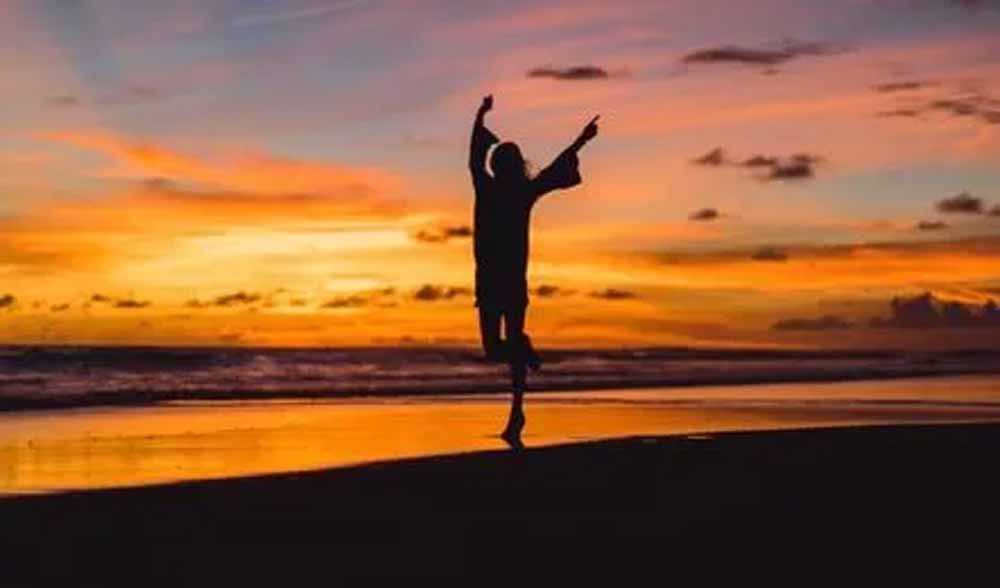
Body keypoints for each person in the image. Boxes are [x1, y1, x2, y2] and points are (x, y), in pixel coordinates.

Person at [468, 94, 599, 447]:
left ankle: (517, 413)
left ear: (503, 166)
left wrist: (480, 118)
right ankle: (522, 355)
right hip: (498, 282)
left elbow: (551, 170)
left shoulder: (505, 191)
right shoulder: (509, 191)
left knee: (501, 348)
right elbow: (553, 170)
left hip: (501, 282)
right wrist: (581, 141)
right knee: (498, 349)